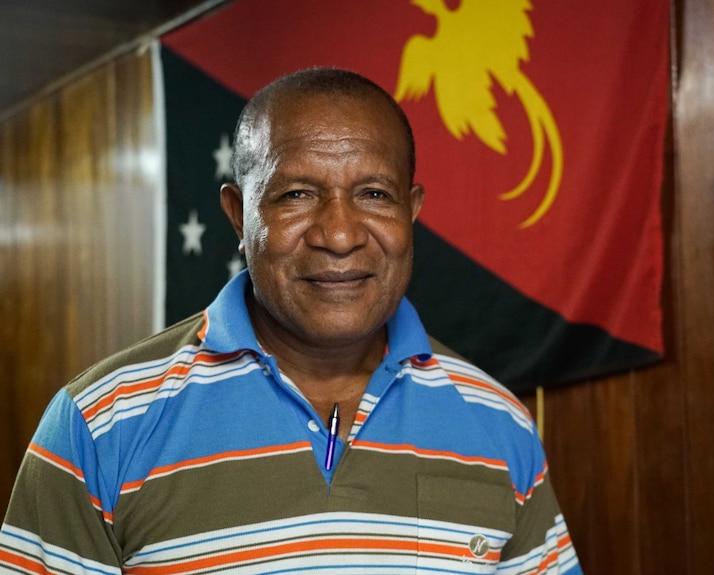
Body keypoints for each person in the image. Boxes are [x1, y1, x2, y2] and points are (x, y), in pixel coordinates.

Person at [1, 67, 581, 574]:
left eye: (375, 194)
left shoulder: (499, 426)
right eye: (297, 194)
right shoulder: (102, 423)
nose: (339, 235)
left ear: (413, 210)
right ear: (237, 214)